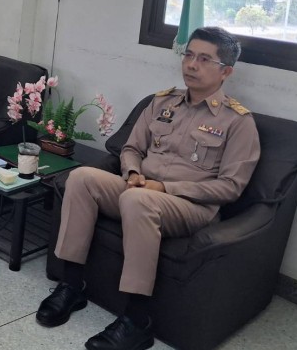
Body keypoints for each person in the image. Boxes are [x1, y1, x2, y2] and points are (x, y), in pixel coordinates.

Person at [35, 27, 260, 350]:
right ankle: (71, 285)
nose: (191, 64)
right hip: (139, 188)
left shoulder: (237, 122)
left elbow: (230, 187)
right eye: (189, 55)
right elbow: (131, 148)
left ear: (226, 72)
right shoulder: (162, 102)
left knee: (139, 201)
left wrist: (163, 187)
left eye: (204, 59)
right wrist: (132, 172)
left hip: (189, 206)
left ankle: (136, 320)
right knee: (82, 177)